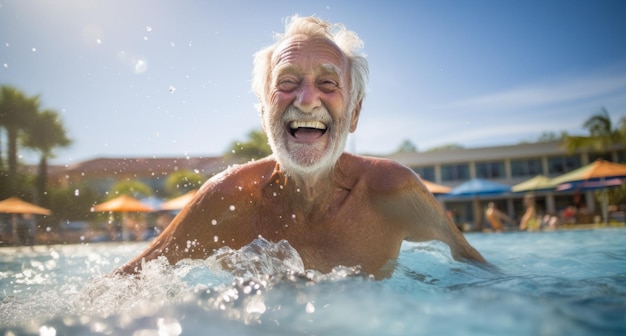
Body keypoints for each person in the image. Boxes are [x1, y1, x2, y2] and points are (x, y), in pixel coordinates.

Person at [115, 15, 485, 279]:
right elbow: (126, 282)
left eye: (328, 84)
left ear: (353, 114)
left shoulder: (391, 191)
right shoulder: (228, 198)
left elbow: (475, 269)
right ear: (264, 116)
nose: (307, 100)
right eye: (288, 82)